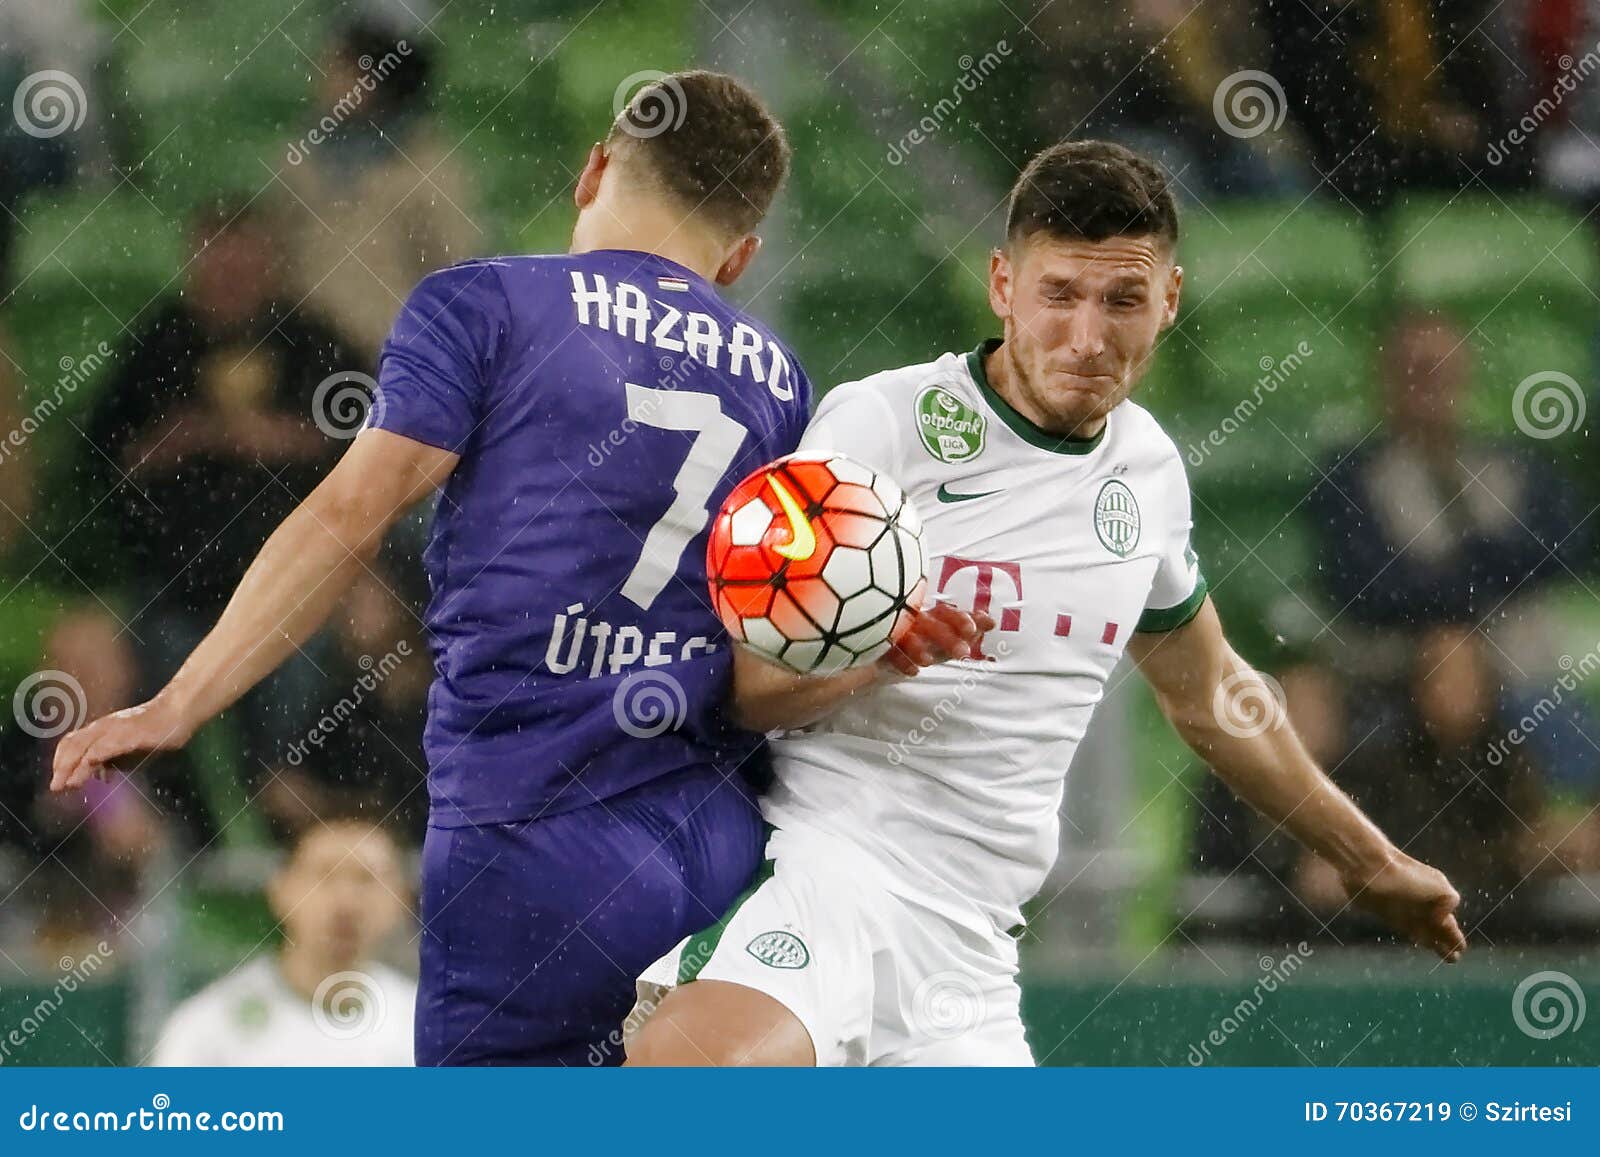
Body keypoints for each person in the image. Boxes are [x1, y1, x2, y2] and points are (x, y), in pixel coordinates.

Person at [51, 71, 979, 1066]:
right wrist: (876, 658)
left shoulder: (485, 304)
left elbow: (346, 514)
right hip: (710, 854)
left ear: (593, 170)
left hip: (527, 838)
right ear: (742, 254)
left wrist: (178, 701)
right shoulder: (778, 379)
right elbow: (753, 685)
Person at [626, 140, 1469, 1068]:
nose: (1088, 336)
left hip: (973, 953)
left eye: (1123, 300)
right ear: (1002, 285)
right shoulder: (884, 426)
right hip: (832, 872)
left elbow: (1211, 694)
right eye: (1059, 293)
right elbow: (748, 689)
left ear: (1171, 300)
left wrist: (1368, 858)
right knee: (695, 1075)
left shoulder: (1146, 473)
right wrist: (875, 649)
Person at [150, 820, 414, 1066]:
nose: (346, 901)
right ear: (281, 890)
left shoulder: (426, 1027)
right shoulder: (209, 1030)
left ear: (402, 899)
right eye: (325, 876)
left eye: (366, 879)